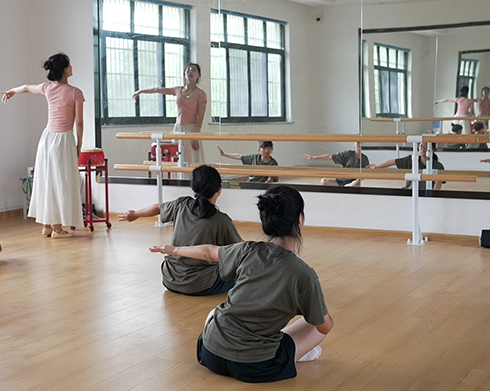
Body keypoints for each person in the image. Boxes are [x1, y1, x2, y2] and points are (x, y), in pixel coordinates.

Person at [150, 186, 333, 383]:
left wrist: (174, 250)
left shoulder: (247, 250)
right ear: (300, 220)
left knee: (215, 313)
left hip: (209, 352)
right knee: (316, 320)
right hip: (255, 365)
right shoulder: (304, 274)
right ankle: (296, 352)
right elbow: (323, 327)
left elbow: (209, 252)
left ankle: (287, 347)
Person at [119, 165, 241, 295]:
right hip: (202, 285)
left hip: (170, 279)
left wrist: (135, 214)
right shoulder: (222, 220)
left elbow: (158, 207)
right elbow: (241, 249)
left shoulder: (181, 204)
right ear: (219, 190)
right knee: (238, 270)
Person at [1, 53, 84, 238]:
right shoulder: (75, 92)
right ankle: (57, 229)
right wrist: (79, 144)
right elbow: (79, 122)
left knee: (47, 180)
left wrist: (12, 91)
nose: (71, 67)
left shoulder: (47, 88)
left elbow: (26, 87)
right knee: (60, 183)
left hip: (46, 139)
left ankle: (47, 225)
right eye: (70, 65)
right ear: (65, 69)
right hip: (63, 140)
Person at [132, 63, 207, 164]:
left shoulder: (201, 94)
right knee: (177, 160)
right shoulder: (178, 90)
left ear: (199, 75)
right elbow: (157, 89)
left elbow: (200, 117)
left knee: (191, 160)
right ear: (184, 74)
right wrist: (140, 92)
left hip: (192, 130)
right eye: (188, 69)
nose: (190, 71)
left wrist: (195, 136)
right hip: (178, 129)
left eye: (194, 70)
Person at [367, 142, 445, 190]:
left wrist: (431, 198)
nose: (423, 148)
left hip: (426, 194)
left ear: (433, 149)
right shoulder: (411, 159)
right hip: (409, 191)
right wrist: (377, 166)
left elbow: (437, 186)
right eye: (421, 146)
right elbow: (393, 161)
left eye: (426, 146)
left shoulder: (438, 166)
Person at [303, 141, 369, 187]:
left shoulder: (364, 158)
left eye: (360, 143)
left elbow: (365, 173)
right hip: (340, 181)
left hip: (352, 183)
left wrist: (358, 180)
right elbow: (330, 156)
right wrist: (313, 158)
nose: (359, 144)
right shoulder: (348, 154)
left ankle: (346, 188)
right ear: (354, 143)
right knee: (323, 181)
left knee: (355, 184)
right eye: (357, 142)